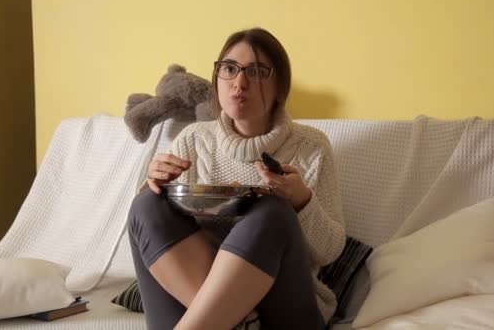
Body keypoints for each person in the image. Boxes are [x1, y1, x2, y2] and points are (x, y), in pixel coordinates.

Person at [127, 27, 346, 330]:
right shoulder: (192, 139)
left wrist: (302, 201)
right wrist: (155, 183)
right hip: (201, 300)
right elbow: (155, 227)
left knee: (273, 212)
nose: (239, 83)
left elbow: (332, 249)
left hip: (280, 308)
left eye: (255, 72)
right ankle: (236, 320)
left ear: (280, 88)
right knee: (146, 205)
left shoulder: (311, 147)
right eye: (229, 69)